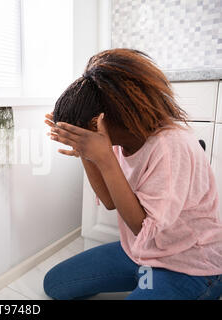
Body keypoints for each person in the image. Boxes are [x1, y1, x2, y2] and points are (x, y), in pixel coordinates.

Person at [43, 48, 222, 300]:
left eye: (84, 132)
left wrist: (104, 157)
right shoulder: (119, 141)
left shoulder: (171, 146)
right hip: (141, 253)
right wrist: (86, 151)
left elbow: (141, 227)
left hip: (188, 265)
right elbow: (108, 202)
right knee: (56, 284)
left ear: (99, 123)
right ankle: (145, 278)